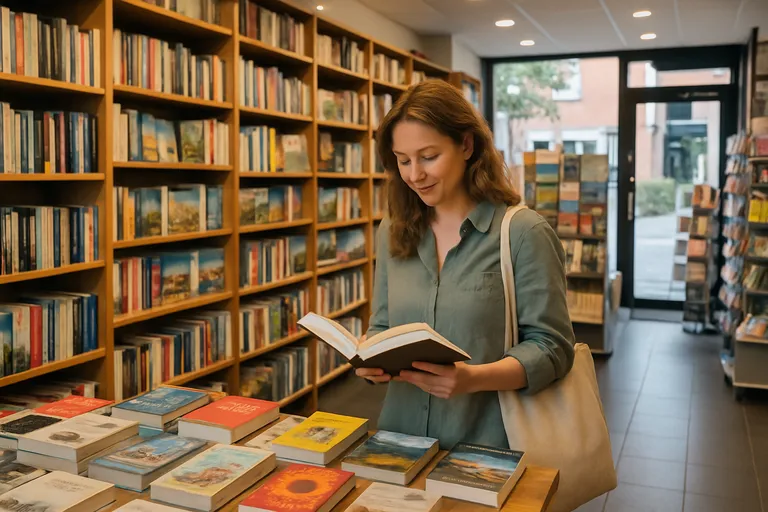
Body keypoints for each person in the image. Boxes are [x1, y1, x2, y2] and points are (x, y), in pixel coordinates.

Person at [356, 79, 575, 450]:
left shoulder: (522, 233)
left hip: (484, 444)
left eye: (428, 156)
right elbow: (382, 325)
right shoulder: (392, 230)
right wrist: (370, 361)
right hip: (398, 440)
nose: (414, 175)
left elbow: (553, 348)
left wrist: (472, 379)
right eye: (403, 160)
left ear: (467, 145)